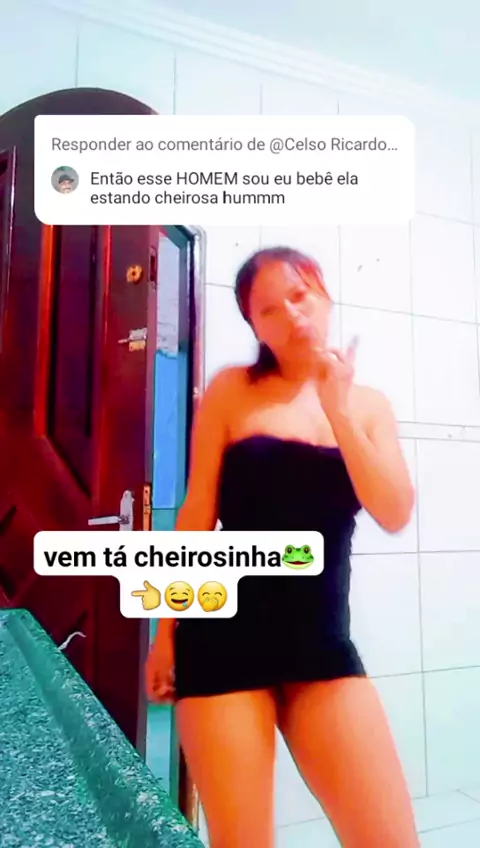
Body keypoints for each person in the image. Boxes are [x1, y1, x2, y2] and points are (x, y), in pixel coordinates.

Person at [146, 246, 418, 848]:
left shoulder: (368, 406)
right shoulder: (231, 391)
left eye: (300, 295)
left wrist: (337, 409)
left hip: (321, 645)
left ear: (324, 296)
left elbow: (395, 511)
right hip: (221, 641)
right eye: (269, 309)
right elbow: (196, 517)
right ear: (254, 326)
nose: (291, 315)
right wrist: (165, 632)